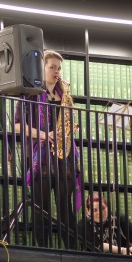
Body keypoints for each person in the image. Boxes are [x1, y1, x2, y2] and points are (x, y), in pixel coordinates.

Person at [13, 50, 82, 248]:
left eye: (59, 68)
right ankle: (42, 250)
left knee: (65, 208)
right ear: (41, 68)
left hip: (64, 157)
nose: (56, 71)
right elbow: (17, 125)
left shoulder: (64, 95)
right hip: (40, 156)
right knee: (39, 208)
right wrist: (45, 135)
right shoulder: (30, 93)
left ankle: (72, 250)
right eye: (52, 67)